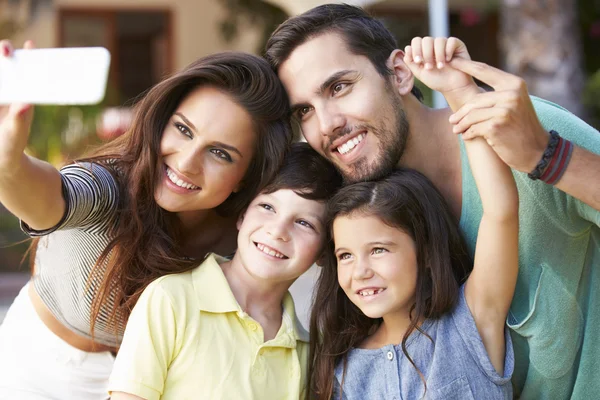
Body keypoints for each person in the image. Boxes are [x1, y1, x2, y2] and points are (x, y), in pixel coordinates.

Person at [265, 4, 600, 399]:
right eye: (304, 110)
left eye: (339, 87)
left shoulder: (519, 130)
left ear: (400, 73)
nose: (326, 125)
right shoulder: (359, 212)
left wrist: (544, 154)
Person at [0, 40, 293, 399]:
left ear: (247, 177)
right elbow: (46, 196)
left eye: (220, 153)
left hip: (151, 377)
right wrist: (9, 161)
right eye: (183, 130)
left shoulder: (243, 235)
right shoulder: (108, 187)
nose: (186, 162)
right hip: (43, 368)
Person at [307, 38, 518, 400]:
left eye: (378, 250)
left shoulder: (471, 324)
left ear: (423, 252)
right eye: (345, 255)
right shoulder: (341, 369)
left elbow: (500, 211)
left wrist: (460, 92)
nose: (360, 271)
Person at [108, 142, 342, 400]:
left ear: (324, 251)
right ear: (242, 215)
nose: (277, 231)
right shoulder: (170, 299)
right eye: (267, 207)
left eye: (303, 223)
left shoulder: (305, 351)